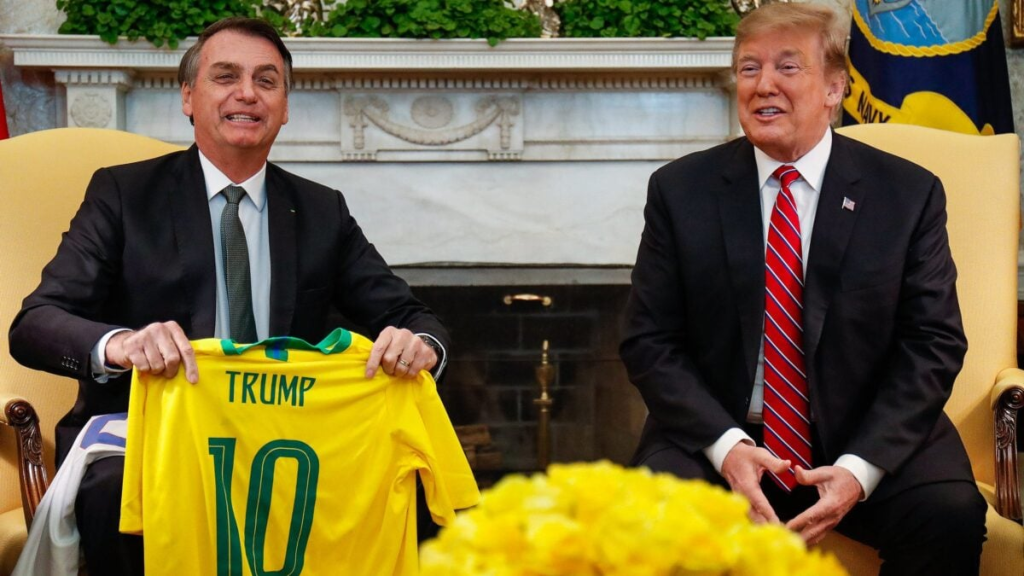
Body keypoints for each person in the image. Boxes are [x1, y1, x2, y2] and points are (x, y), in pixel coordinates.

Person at [8, 17, 449, 575]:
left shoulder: (321, 210)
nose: (247, 93)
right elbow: (35, 323)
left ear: (284, 108)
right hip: (154, 436)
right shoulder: (123, 194)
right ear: (188, 97)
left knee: (416, 485)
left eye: (266, 81)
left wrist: (422, 346)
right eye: (225, 76)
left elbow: (412, 316)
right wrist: (122, 345)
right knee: (116, 496)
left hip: (287, 437)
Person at [619, 3, 986, 575]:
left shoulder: (906, 194)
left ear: (835, 88)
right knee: (650, 513)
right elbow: (649, 340)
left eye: (787, 67)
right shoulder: (680, 190)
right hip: (722, 432)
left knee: (949, 513)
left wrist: (860, 469)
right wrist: (728, 448)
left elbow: (933, 343)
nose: (763, 84)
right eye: (749, 68)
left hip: (866, 431)